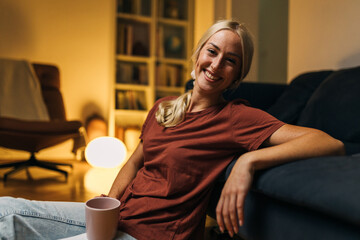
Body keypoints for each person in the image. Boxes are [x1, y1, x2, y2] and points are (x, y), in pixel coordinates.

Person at [0, 20, 344, 240]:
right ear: (197, 55)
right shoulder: (164, 107)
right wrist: (109, 207)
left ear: (237, 76)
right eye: (212, 51)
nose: (216, 64)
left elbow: (327, 142)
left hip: (153, 234)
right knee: (6, 212)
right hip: (118, 218)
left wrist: (247, 163)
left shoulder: (237, 117)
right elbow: (134, 163)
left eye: (230, 60)